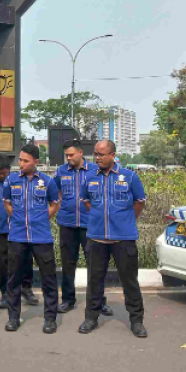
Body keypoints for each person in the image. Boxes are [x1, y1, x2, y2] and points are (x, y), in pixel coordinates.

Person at [78, 140, 148, 338]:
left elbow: (139, 202)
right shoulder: (90, 177)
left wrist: (124, 220)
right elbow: (86, 201)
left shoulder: (129, 176)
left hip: (123, 238)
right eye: (95, 154)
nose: (97, 158)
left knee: (130, 281)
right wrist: (100, 218)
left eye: (101, 154)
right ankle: (91, 318)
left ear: (113, 155)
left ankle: (136, 321)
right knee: (94, 281)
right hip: (96, 238)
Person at [2, 143, 61, 334]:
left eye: (25, 161)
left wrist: (42, 219)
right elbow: (7, 203)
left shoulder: (47, 181)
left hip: (41, 238)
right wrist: (18, 219)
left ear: (36, 162)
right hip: (17, 237)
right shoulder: (11, 180)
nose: (21, 164)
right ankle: (13, 317)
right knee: (14, 279)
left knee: (49, 279)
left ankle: (50, 319)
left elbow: (54, 203)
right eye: (20, 160)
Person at [54, 139, 112, 316]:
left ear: (80, 153)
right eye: (66, 155)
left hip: (91, 226)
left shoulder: (95, 170)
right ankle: (67, 300)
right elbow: (56, 192)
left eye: (71, 155)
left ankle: (99, 301)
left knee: (96, 266)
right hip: (67, 224)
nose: (69, 158)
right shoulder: (61, 171)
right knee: (67, 265)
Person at [0, 154, 35, 309]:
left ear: (9, 170)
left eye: (4, 173)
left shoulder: (17, 179)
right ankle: (5, 293)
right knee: (2, 262)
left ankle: (26, 289)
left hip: (19, 228)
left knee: (25, 259)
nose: (2, 176)